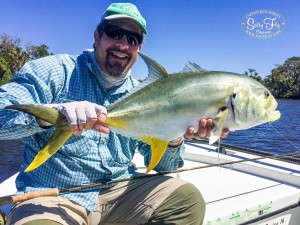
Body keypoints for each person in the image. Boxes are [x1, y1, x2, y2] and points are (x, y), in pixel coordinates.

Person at [0, 3, 228, 225]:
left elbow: (164, 167)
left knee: (187, 201)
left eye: (132, 39)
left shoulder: (145, 95)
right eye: (114, 33)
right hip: (56, 197)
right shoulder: (55, 71)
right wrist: (46, 116)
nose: (123, 44)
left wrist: (175, 134)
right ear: (97, 35)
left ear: (139, 48)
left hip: (120, 192)